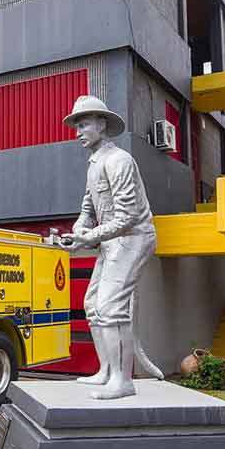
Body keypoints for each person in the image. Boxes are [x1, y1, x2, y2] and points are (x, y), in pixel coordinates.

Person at [60, 95, 163, 400]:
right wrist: (80, 228)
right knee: (93, 305)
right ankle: (107, 371)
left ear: (102, 125)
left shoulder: (119, 161)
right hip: (112, 241)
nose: (78, 131)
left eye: (84, 123)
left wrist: (89, 238)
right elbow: (88, 209)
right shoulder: (94, 165)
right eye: (76, 125)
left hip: (134, 238)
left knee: (109, 307)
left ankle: (123, 380)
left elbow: (129, 217)